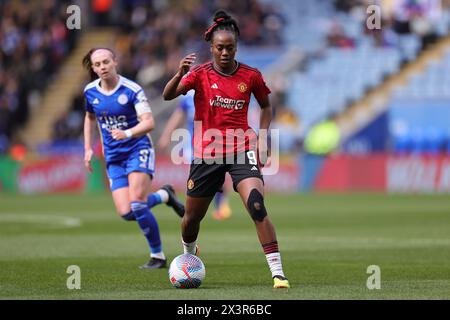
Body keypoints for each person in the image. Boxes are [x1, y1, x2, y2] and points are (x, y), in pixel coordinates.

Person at [162, 11, 290, 288]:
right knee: (191, 219)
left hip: (242, 148)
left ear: (236, 47)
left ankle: (278, 273)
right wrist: (179, 74)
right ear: (211, 48)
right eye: (219, 48)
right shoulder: (199, 74)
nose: (224, 52)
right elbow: (168, 95)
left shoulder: (251, 76)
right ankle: (188, 255)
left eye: (229, 48)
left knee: (256, 205)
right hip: (207, 152)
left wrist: (263, 137)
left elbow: (267, 106)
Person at [82, 48, 185, 269]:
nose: (103, 67)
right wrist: (88, 149)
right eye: (98, 64)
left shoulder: (131, 90)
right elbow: (90, 118)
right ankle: (164, 196)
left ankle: (157, 256)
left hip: (138, 148)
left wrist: (127, 133)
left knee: (138, 204)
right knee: (127, 212)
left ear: (115, 62)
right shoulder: (90, 91)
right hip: (113, 156)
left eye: (106, 62)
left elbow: (149, 122)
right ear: (93, 68)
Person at [158, 91, 232, 220]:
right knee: (195, 179)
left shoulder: (215, 91)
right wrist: (166, 136)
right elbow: (177, 116)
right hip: (194, 146)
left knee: (220, 175)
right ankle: (193, 208)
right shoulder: (188, 97)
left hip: (215, 142)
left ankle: (220, 206)